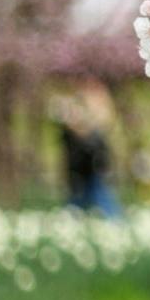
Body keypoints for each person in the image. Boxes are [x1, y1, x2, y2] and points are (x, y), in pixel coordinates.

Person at [51, 85, 122, 218]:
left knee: (104, 200)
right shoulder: (68, 132)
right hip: (77, 175)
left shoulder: (94, 131)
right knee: (75, 205)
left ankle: (114, 221)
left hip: (96, 173)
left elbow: (99, 148)